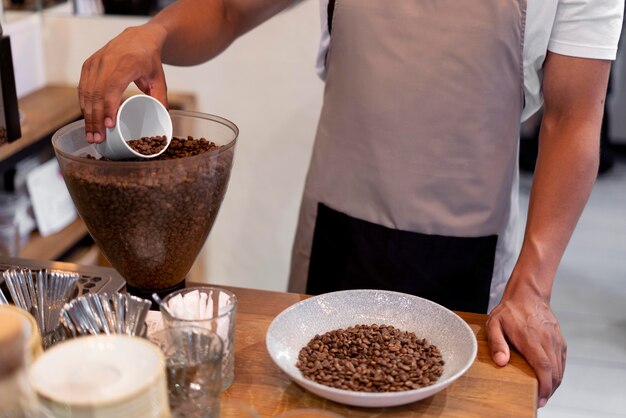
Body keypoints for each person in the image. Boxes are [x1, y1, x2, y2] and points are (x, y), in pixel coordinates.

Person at [79, 0, 624, 407]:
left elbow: (573, 116)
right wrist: (154, 30)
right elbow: (227, 10)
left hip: (474, 251)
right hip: (334, 236)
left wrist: (531, 288)